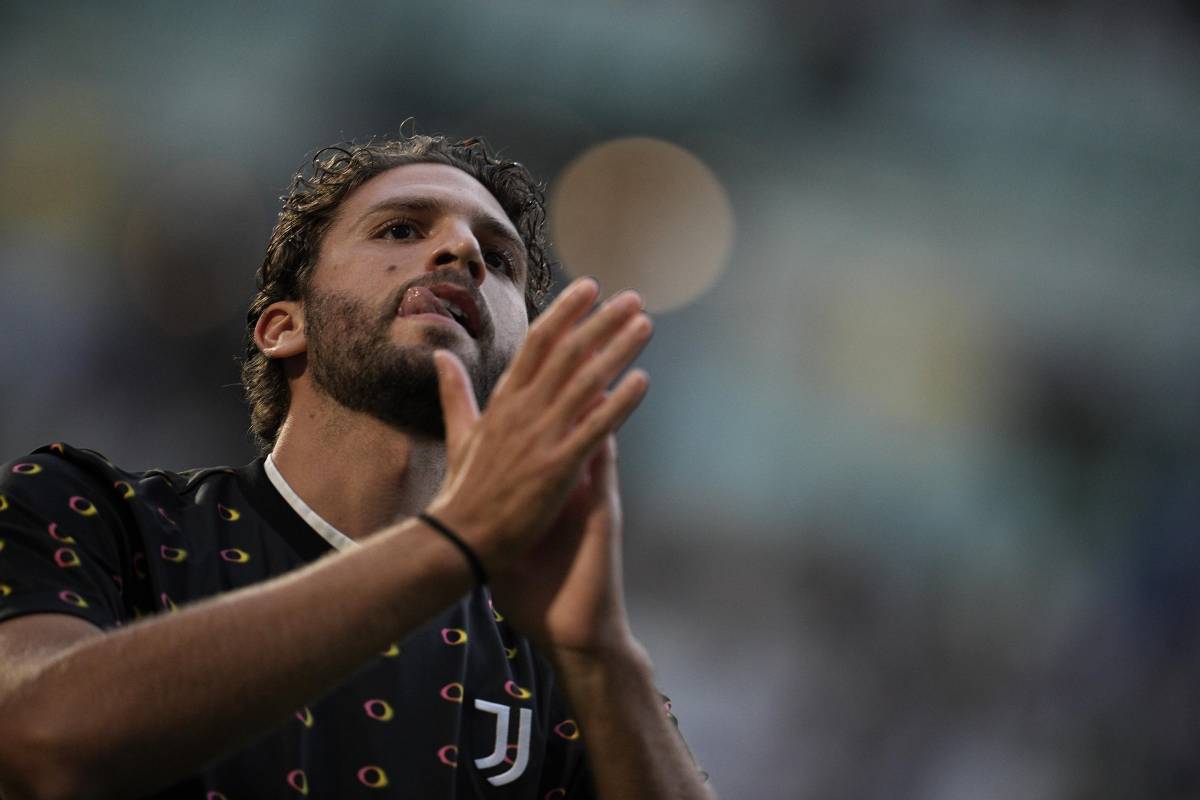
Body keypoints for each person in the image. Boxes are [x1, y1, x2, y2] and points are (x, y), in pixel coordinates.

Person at [0, 135, 712, 799]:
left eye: (500, 260)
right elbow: (39, 741)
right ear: (284, 326)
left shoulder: (561, 664)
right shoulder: (90, 513)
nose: (463, 250)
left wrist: (600, 653)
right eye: (401, 229)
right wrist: (451, 543)